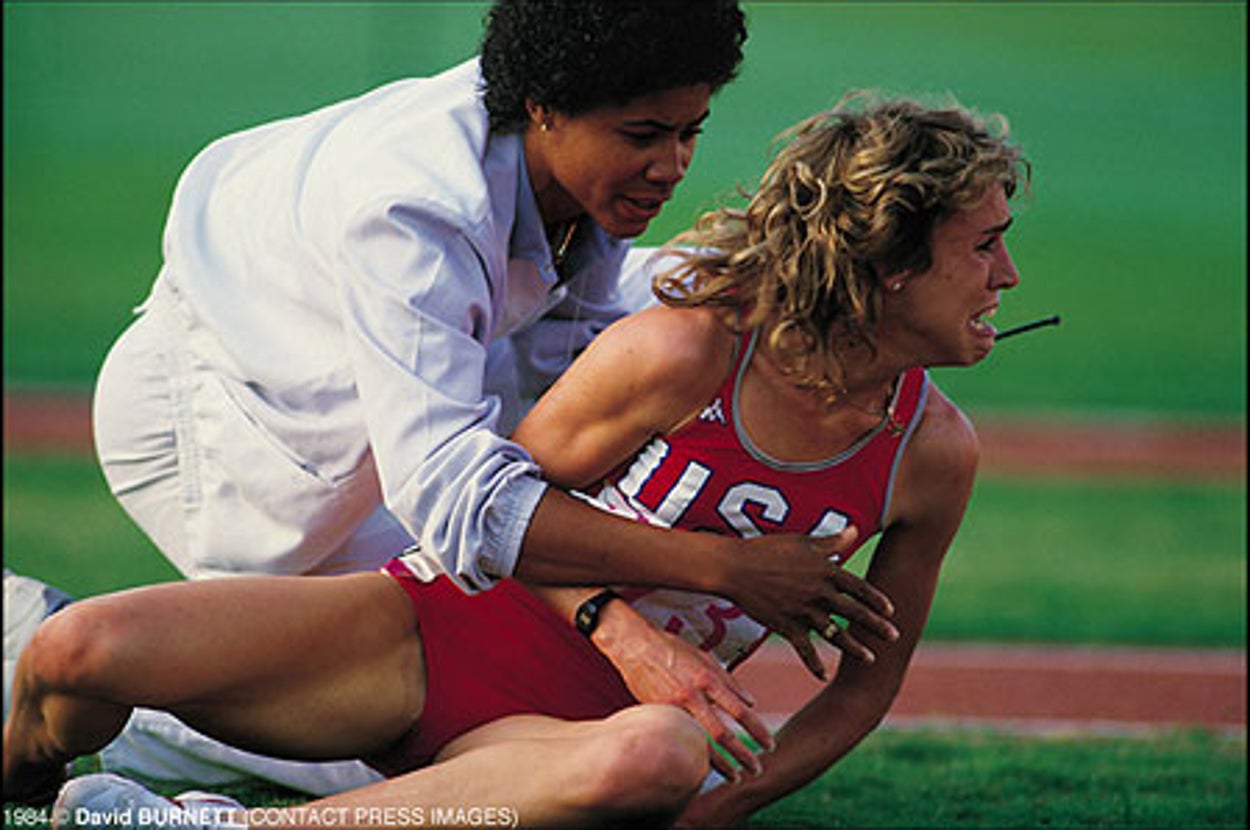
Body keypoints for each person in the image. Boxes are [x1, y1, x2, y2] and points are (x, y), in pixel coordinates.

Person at [4, 92, 1028, 828]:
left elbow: (862, 687)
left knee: (663, 753)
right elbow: (497, 508)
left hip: (591, 729)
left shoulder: (933, 453)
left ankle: (216, 826)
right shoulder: (688, 349)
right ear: (893, 264)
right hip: (428, 628)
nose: (1008, 274)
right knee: (75, 650)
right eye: (983, 245)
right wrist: (642, 610)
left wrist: (725, 804)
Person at [76, 0, 900, 794]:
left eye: (691, 132)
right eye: (644, 135)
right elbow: (450, 491)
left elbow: (566, 361)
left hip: (349, 404)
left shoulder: (576, 165)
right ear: (544, 109)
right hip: (223, 428)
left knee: (501, 666)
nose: (673, 165)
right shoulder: (416, 207)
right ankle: (72, 677)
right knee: (422, 692)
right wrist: (700, 580)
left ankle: (132, 701)